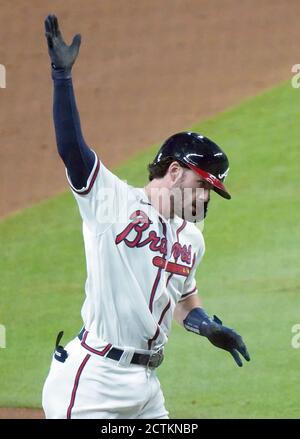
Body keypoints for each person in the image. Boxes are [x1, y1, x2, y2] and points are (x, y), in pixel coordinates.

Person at [42, 14, 250, 419]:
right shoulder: (112, 202)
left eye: (212, 190)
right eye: (202, 184)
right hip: (93, 382)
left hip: (146, 390)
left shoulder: (193, 239)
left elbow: (184, 301)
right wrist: (61, 78)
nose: (205, 196)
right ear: (174, 171)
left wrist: (207, 326)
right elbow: (72, 149)